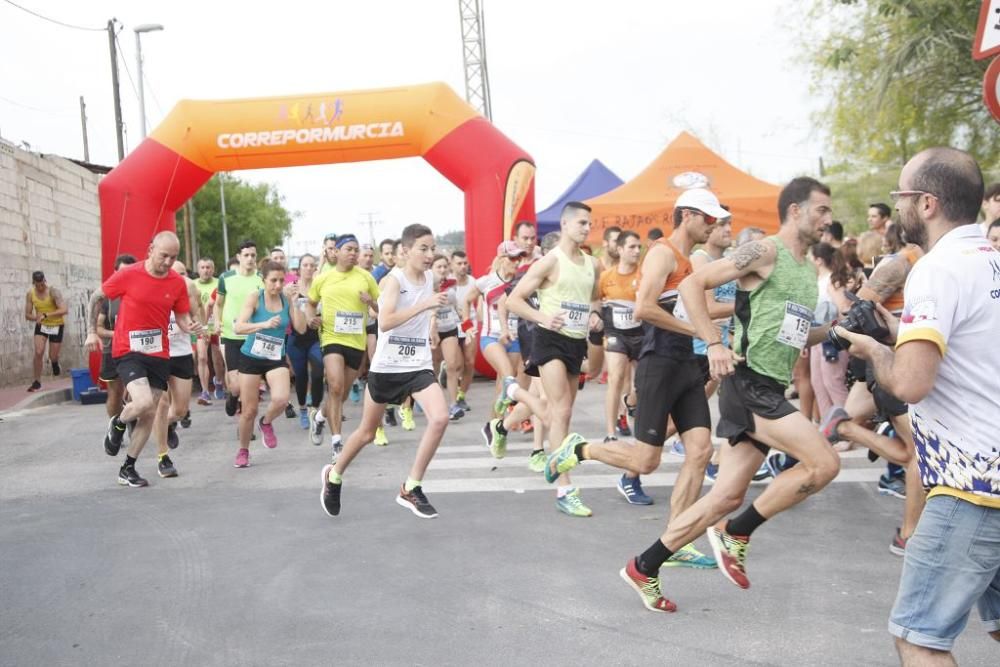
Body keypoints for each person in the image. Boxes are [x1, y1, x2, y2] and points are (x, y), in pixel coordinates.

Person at [610, 177, 838, 612]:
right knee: (824, 463)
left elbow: (797, 335)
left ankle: (645, 565)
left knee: (726, 496)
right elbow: (694, 286)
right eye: (821, 209)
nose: (828, 218)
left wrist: (841, 333)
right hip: (749, 382)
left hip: (769, 383)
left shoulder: (808, 272)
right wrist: (713, 341)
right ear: (794, 210)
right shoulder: (765, 251)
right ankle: (738, 531)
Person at [831, 147, 1000, 664]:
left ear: (926, 203)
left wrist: (878, 351)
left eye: (900, 196)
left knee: (918, 639)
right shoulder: (991, 260)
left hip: (970, 487)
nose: (896, 206)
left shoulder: (935, 268)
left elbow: (909, 384)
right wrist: (902, 333)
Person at [545, 190, 727, 543]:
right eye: (708, 218)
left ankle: (675, 540)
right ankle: (579, 449)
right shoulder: (663, 254)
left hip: (686, 362)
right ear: (687, 215)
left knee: (701, 451)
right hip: (658, 362)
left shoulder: (690, 262)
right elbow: (644, 309)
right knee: (646, 462)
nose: (713, 225)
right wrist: (698, 330)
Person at [320, 223, 451, 519]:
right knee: (366, 432)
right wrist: (425, 306)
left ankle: (411, 487)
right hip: (387, 366)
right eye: (424, 248)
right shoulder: (393, 280)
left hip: (417, 364)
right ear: (405, 251)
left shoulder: (430, 277)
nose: (430, 254)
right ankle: (335, 474)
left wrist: (431, 324)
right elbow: (387, 321)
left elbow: (427, 306)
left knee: (440, 418)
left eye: (433, 248)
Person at [503, 201, 601, 517]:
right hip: (550, 341)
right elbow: (513, 301)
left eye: (589, 224)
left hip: (576, 343)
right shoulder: (549, 261)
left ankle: (514, 395)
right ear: (565, 225)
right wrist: (542, 317)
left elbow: (595, 299)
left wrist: (596, 317)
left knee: (563, 415)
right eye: (582, 223)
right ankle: (565, 488)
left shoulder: (592, 264)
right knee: (560, 411)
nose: (587, 228)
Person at [84, 232, 202, 487]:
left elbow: (181, 317)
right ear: (151, 250)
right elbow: (97, 296)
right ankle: (118, 422)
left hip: (159, 353)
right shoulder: (129, 274)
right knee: (144, 402)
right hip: (128, 350)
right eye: (164, 256)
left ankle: (127, 467)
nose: (169, 262)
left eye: (174, 257)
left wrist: (190, 326)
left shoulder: (177, 283)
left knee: (148, 414)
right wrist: (92, 331)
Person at [306, 234, 380, 457]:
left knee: (342, 394)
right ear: (335, 252)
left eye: (356, 250)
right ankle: (337, 443)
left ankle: (319, 417)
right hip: (331, 337)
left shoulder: (366, 277)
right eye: (348, 249)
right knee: (335, 387)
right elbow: (310, 304)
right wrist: (311, 319)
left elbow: (382, 306)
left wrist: (371, 302)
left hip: (356, 341)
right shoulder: (323, 278)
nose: (353, 253)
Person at [232, 261, 305, 466]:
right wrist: (263, 324)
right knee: (249, 410)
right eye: (273, 280)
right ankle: (243, 450)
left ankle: (266, 423)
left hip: (274, 357)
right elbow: (239, 327)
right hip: (251, 357)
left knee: (282, 399)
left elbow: (300, 328)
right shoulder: (255, 297)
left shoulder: (286, 299)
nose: (278, 285)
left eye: (282, 280)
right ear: (263, 280)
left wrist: (296, 302)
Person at [150, 260, 204, 478]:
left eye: (183, 273)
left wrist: (197, 325)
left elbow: (197, 318)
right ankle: (163, 456)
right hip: (157, 352)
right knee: (162, 404)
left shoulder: (189, 288)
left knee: (180, 410)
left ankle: (169, 425)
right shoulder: (154, 287)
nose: (180, 277)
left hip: (181, 352)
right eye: (176, 272)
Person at [462, 241, 525, 417]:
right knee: (508, 376)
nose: (517, 262)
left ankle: (494, 425)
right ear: (502, 259)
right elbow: (466, 301)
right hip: (491, 337)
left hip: (514, 338)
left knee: (501, 386)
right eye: (512, 258)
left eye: (519, 257)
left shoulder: (521, 281)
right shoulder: (486, 281)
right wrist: (467, 326)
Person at [598, 231, 642, 447]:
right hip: (616, 334)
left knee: (643, 382)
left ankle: (630, 401)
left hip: (641, 335)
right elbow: (595, 300)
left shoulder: (644, 276)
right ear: (621, 249)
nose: (636, 251)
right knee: (615, 378)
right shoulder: (607, 277)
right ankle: (610, 432)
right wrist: (595, 316)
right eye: (632, 247)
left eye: (638, 247)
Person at [216, 241, 264, 417]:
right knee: (236, 385)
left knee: (249, 384)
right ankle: (232, 397)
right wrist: (216, 321)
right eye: (246, 255)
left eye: (253, 255)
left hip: (253, 336)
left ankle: (246, 422)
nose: (250, 259)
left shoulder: (261, 278)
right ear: (238, 257)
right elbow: (218, 304)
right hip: (232, 336)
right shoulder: (226, 278)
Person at [97, 254, 137, 453]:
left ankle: (130, 419)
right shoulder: (109, 299)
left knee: (136, 392)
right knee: (115, 394)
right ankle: (116, 424)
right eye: (123, 272)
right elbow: (99, 329)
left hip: (137, 350)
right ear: (115, 273)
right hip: (112, 349)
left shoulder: (142, 294)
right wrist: (118, 333)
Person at [430, 254, 466, 421]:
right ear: (431, 269)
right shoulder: (425, 286)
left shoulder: (452, 285)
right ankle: (435, 405)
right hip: (432, 331)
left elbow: (456, 306)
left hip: (450, 327)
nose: (443, 270)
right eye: (439, 267)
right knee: (433, 368)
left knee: (452, 366)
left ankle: (453, 404)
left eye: (445, 266)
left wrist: (463, 320)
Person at [24, 270, 68, 392]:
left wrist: (46, 315)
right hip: (42, 326)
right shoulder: (30, 294)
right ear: (34, 283)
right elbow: (27, 315)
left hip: (56, 325)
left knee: (52, 356)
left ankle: (54, 362)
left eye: (42, 284)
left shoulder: (53, 292)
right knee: (38, 352)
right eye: (37, 285)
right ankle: (37, 381)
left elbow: (64, 310)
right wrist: (36, 318)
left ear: (45, 280)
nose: (40, 287)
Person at [193, 257, 224, 404]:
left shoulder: (219, 283)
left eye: (208, 267)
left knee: (218, 359)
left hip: (215, 325)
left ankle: (218, 381)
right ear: (198, 269)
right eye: (203, 267)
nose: (206, 270)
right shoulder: (192, 285)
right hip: (200, 325)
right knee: (202, 357)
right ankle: (205, 391)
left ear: (213, 269)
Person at [451, 250, 476, 412]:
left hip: (469, 324)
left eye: (465, 263)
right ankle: (453, 399)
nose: (463, 267)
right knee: (457, 365)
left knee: (469, 362)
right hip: (452, 326)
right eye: (459, 263)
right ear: (452, 264)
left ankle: (461, 396)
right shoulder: (447, 282)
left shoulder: (473, 282)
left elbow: (478, 305)